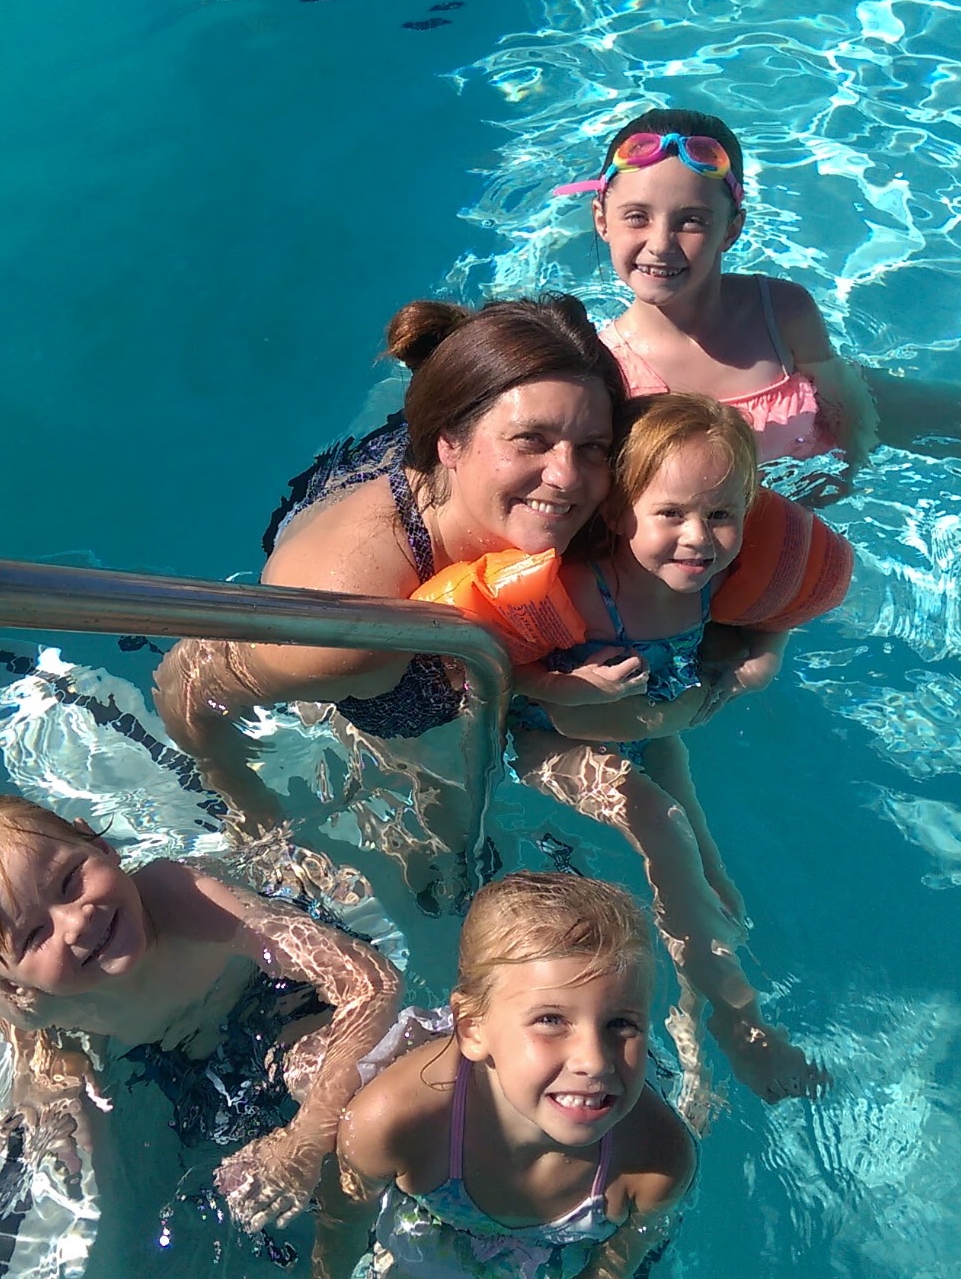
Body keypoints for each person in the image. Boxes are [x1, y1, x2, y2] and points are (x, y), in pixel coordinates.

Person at [153, 295, 629, 869]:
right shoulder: (347, 623)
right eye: (531, 439)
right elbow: (188, 680)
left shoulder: (602, 500)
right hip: (362, 568)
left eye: (593, 447)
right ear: (448, 443)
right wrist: (240, 794)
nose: (567, 476)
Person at [509, 394, 829, 1109]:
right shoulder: (582, 589)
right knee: (661, 821)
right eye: (672, 514)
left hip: (650, 728)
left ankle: (696, 992)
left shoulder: (721, 579)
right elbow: (502, 667)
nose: (699, 538)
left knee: (710, 878)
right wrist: (566, 685)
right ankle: (738, 1021)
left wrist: (765, 657)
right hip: (547, 737)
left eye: (720, 514)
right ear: (618, 514)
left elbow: (779, 609)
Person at [0, 795, 399, 1227]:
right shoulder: (32, 1001)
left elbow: (371, 983)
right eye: (34, 935)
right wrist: (35, 1073)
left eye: (70, 880)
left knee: (342, 1087)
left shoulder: (180, 898)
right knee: (133, 1178)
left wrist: (304, 1141)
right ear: (10, 982)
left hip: (275, 997)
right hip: (178, 1059)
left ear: (100, 846)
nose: (76, 921)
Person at [330, 868, 694, 1279]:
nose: (594, 1060)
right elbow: (341, 1225)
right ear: (473, 1029)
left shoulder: (655, 1160)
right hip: (436, 1210)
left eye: (622, 1024)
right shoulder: (393, 1124)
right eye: (551, 1020)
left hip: (569, 1241)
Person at [558, 107, 961, 483]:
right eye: (637, 217)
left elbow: (847, 409)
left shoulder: (782, 311)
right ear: (601, 220)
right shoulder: (604, 370)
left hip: (815, 494)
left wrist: (852, 471)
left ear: (732, 230)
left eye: (691, 220)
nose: (660, 244)